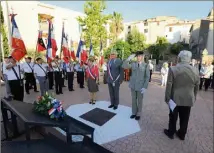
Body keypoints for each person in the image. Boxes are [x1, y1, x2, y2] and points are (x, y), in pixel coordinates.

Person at [164, 50, 200, 140]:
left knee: (173, 116)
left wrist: (167, 98)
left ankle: (171, 132)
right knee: (185, 118)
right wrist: (194, 97)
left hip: (175, 98)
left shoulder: (173, 69)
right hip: (188, 97)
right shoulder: (195, 70)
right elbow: (197, 86)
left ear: (180, 58)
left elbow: (169, 85)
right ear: (189, 59)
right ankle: (182, 134)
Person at [122, 51, 150, 120]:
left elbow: (147, 77)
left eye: (140, 56)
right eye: (137, 56)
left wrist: (145, 87)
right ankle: (134, 113)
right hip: (133, 85)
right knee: (133, 100)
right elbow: (124, 66)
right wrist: (128, 59)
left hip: (140, 86)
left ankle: (139, 113)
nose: (138, 57)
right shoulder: (133, 64)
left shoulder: (146, 65)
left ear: (142, 57)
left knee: (139, 101)